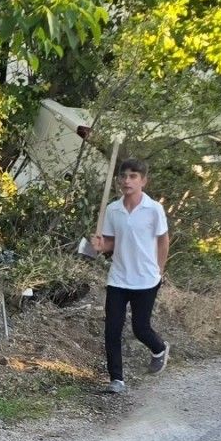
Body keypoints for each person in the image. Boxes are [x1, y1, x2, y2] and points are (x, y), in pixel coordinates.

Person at [92, 158, 171, 393]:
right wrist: (101, 246)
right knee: (112, 329)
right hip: (118, 277)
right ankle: (116, 379)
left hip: (146, 279)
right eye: (124, 176)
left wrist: (159, 269)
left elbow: (163, 240)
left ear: (143, 181)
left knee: (140, 328)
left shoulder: (154, 209)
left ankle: (159, 349)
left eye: (133, 176)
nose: (127, 180)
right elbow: (111, 243)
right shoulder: (112, 210)